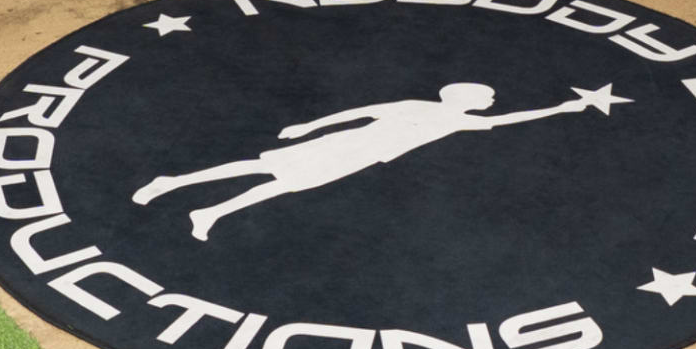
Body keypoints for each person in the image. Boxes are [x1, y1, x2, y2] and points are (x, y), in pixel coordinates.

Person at [133, 80, 612, 240]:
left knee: (287, 185)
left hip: (362, 158)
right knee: (261, 166)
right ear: (465, 95)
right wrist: (309, 126)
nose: (487, 103)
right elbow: (361, 112)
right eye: (484, 97)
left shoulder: (460, 121)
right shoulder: (423, 108)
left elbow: (505, 121)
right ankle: (170, 182)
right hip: (343, 145)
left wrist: (562, 107)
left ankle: (210, 212)